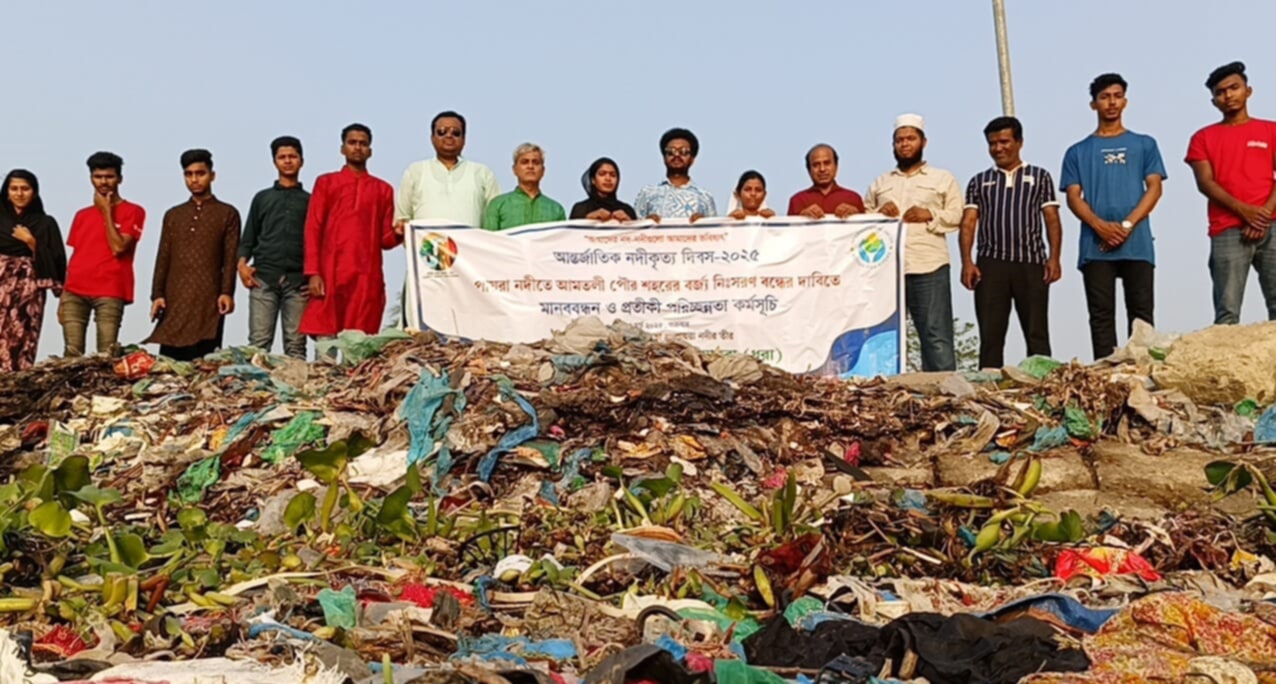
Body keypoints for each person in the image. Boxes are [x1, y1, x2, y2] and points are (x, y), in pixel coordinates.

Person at [1062, 74, 1167, 359]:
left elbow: (1154, 188)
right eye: (1105, 97)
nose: (1112, 102)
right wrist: (1100, 226)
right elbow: (1073, 196)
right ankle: (1106, 374)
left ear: (1125, 101)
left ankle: (1143, 371)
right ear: (1093, 104)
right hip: (1096, 247)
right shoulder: (1078, 151)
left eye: (1117, 95)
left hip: (1137, 243)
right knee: (1101, 315)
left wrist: (1126, 225)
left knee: (1142, 316)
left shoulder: (1144, 144)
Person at [959, 116, 1063, 369]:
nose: (998, 148)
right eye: (992, 143)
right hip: (991, 264)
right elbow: (969, 222)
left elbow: (1051, 218)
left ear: (1019, 142)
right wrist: (967, 262)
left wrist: (1054, 258)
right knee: (991, 335)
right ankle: (988, 386)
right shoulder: (979, 181)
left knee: (1036, 331)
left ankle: (1042, 384)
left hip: (1031, 263)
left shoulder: (1039, 176)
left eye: (1004, 141)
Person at [864, 114, 963, 371]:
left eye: (910, 138)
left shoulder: (942, 178)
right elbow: (861, 222)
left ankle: (944, 394)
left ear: (923, 142)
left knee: (935, 334)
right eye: (899, 140)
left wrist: (929, 214)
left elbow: (957, 215)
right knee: (883, 335)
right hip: (886, 270)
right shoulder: (881, 183)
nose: (904, 144)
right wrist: (878, 212)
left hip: (928, 265)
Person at [1186, 61, 1276, 325]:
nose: (1228, 95)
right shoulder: (1203, 138)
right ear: (1214, 101)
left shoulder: (1271, 130)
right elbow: (1206, 183)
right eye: (1221, 92)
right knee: (1227, 311)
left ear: (1248, 91)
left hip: (1272, 225)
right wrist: (1245, 212)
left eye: (1234, 88)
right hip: (1227, 229)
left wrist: (1263, 215)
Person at [299, 124, 401, 347]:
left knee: (358, 341)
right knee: (326, 339)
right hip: (330, 271)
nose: (357, 148)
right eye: (352, 143)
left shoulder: (383, 190)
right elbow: (313, 227)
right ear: (342, 148)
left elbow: (385, 239)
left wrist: (400, 233)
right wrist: (313, 272)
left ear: (370, 151)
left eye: (363, 144)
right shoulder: (326, 183)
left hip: (365, 275)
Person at [146, 149, 240, 361]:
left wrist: (227, 292)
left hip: (209, 298)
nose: (194, 179)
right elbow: (163, 256)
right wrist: (157, 295)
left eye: (200, 173)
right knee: (170, 363)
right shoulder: (173, 215)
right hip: (174, 296)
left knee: (204, 361)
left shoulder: (227, 213)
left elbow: (230, 257)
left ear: (212, 175)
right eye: (189, 174)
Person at [60, 152, 146, 357]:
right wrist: (63, 296)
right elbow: (76, 255)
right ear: (91, 178)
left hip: (110, 289)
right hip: (75, 289)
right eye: (98, 177)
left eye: (109, 176)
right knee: (72, 354)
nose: (103, 182)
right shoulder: (82, 215)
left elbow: (118, 247)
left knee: (106, 354)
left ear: (120, 179)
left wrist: (106, 211)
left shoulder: (134, 211)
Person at [238, 136, 310, 359]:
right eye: (282, 157)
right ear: (274, 162)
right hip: (264, 279)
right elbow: (248, 238)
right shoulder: (262, 198)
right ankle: (253, 392)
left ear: (301, 161)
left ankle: (298, 391)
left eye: (292, 157)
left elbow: (318, 243)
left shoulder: (311, 201)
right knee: (258, 345)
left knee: (296, 345)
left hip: (298, 282)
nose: (287, 161)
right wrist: (241, 266)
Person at [0, 170, 66, 371]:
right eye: (14, 189)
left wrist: (31, 242)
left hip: (29, 290)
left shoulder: (46, 224)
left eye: (25, 189)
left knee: (24, 336)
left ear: (34, 192)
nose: (19, 194)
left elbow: (58, 260)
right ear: (7, 192)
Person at [395, 110, 500, 228]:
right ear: (432, 138)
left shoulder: (482, 172)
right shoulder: (415, 171)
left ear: (464, 139)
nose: (449, 136)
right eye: (442, 132)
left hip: (469, 246)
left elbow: (494, 219)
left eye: (456, 132)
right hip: (428, 245)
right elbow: (402, 219)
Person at [633, 128, 716, 222]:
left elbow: (716, 232)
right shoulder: (647, 193)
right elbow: (632, 230)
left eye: (683, 152)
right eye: (671, 152)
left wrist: (703, 223)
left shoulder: (705, 197)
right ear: (664, 158)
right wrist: (647, 222)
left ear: (692, 160)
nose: (677, 155)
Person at [483, 143, 566, 231]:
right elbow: (489, 241)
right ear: (515, 169)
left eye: (536, 162)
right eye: (525, 162)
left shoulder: (556, 209)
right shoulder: (498, 205)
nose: (530, 166)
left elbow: (562, 242)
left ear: (543, 171)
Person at [786, 145, 865, 218]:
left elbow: (867, 230)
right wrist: (801, 218)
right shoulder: (797, 200)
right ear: (809, 170)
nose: (822, 169)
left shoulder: (853, 198)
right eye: (816, 165)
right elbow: (788, 231)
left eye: (827, 163)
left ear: (836, 167)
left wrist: (856, 216)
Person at [569, 157, 637, 221]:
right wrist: (588, 219)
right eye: (602, 174)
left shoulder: (627, 210)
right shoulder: (580, 209)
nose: (608, 178)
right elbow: (571, 232)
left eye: (613, 175)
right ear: (593, 180)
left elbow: (638, 232)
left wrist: (629, 223)